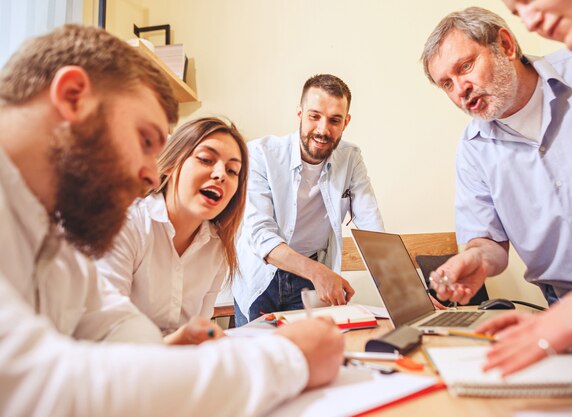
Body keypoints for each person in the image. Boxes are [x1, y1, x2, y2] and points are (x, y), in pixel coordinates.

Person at [0, 24, 344, 416]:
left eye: (234, 171)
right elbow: (47, 391)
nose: (151, 174)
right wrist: (289, 359)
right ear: (73, 96)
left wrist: (166, 360)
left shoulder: (51, 237)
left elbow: (110, 321)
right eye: (145, 140)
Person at [420, 7, 572, 309]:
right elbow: (490, 243)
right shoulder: (472, 150)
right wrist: (476, 257)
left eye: (465, 67)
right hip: (565, 305)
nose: (461, 90)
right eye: (446, 84)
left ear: (506, 45)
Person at [473, 0, 572, 376]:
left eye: (528, 1)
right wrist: (569, 315)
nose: (529, 19)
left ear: (506, 47)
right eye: (516, 8)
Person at [233, 74, 385, 325]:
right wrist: (319, 274)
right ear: (300, 113)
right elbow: (261, 235)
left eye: (334, 120)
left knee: (311, 357)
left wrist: (405, 292)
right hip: (260, 276)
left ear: (346, 122)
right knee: (259, 358)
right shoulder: (259, 154)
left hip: (310, 280)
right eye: (314, 116)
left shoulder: (351, 159)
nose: (323, 130)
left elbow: (372, 227)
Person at [96, 117, 249, 344]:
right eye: (206, 159)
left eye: (232, 170)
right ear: (170, 165)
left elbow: (200, 334)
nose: (220, 174)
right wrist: (178, 342)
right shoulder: (127, 225)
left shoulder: (217, 248)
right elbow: (104, 339)